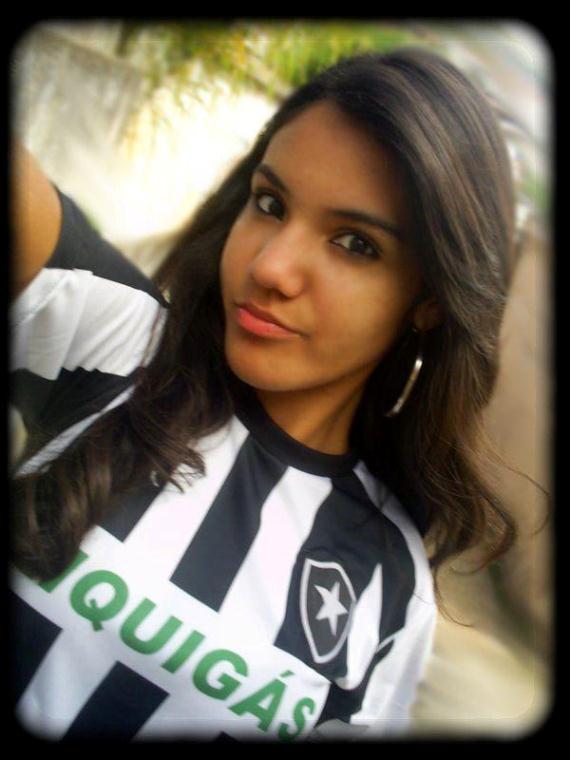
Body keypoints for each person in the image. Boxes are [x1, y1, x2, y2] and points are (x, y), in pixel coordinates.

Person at [10, 47, 518, 742]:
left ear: (430, 299)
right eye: (270, 203)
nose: (270, 266)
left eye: (355, 243)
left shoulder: (391, 587)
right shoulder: (118, 343)